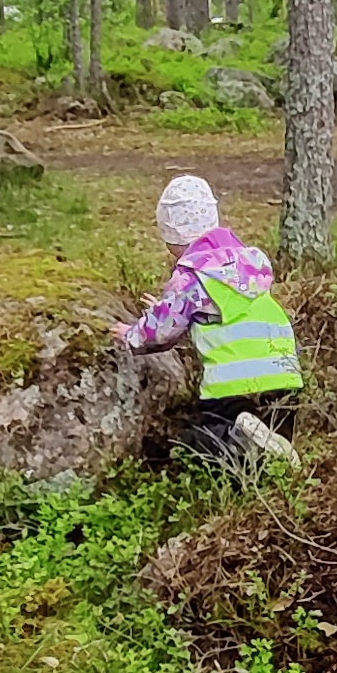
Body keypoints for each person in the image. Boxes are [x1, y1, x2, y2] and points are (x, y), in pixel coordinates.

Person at [119, 175, 302, 469]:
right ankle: (270, 451)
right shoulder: (249, 264)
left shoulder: (192, 277)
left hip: (235, 386)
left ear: (172, 234)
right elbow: (222, 310)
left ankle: (233, 440)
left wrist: (130, 335)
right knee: (273, 447)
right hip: (284, 377)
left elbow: (163, 330)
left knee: (198, 442)